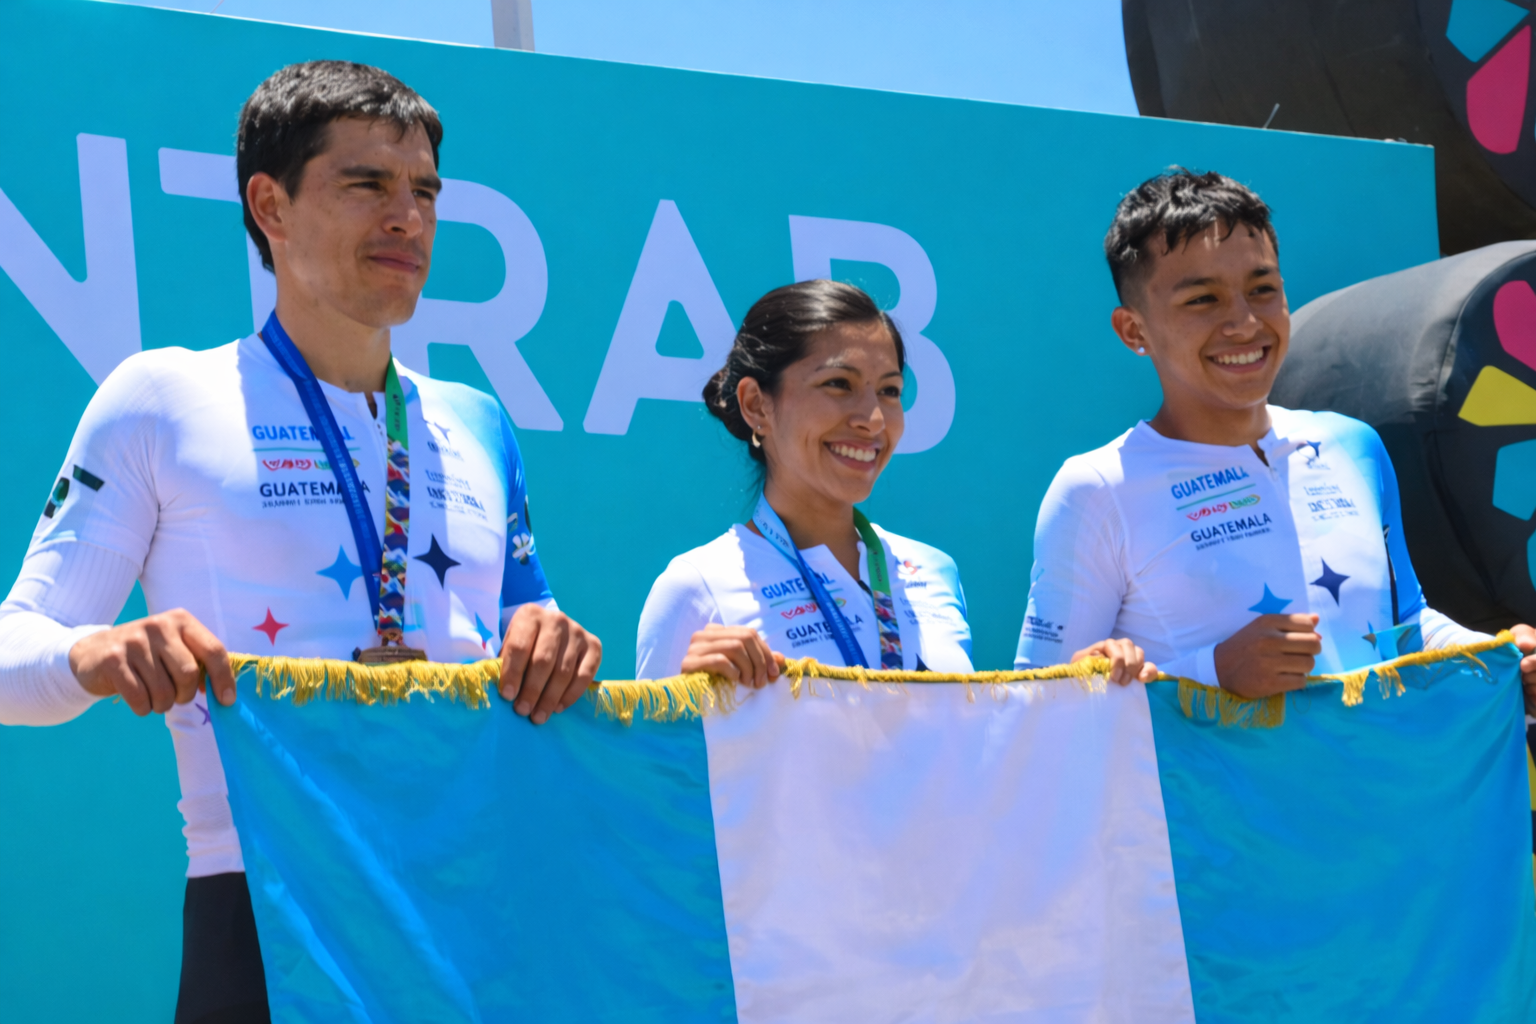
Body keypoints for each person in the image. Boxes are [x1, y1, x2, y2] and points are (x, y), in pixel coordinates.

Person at [0, 62, 601, 1023]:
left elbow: (531, 628)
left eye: (426, 193)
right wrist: (98, 651)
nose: (408, 218)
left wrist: (555, 641)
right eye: (367, 184)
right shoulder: (160, 399)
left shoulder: (479, 420)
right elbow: (7, 658)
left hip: (474, 912)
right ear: (269, 205)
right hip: (266, 903)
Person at [1015, 168, 1536, 707]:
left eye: (1262, 290)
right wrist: (1212, 671)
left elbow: (1402, 624)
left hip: (1371, 790)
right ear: (1133, 330)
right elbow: (1036, 705)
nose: (1244, 323)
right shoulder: (1096, 489)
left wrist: (1496, 657)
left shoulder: (1352, 445)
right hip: (1201, 795)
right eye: (1203, 300)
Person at [636, 279, 1148, 686]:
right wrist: (688, 693)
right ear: (755, 404)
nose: (872, 419)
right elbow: (650, 791)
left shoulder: (932, 571)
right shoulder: (695, 589)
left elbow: (981, 761)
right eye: (838, 385)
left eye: (889, 391)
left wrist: (1083, 686)